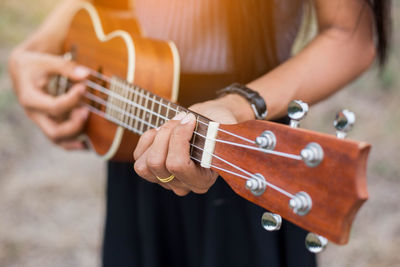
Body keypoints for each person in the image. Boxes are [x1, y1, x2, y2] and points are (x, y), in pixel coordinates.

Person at [9, 0, 391, 266]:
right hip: (139, 140)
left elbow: (350, 37)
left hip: (242, 140)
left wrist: (237, 107)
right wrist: (33, 49)